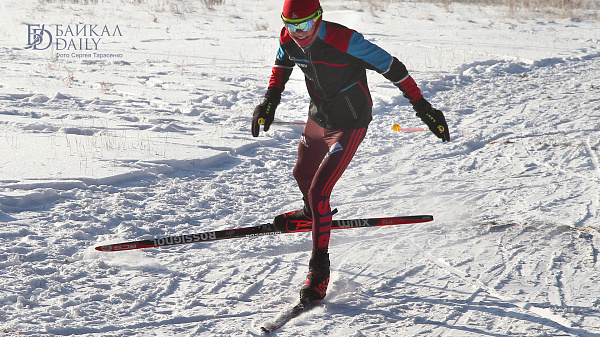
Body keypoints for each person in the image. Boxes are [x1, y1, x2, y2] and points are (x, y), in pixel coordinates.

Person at [251, 0, 450, 305]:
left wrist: (424, 108)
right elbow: (281, 65)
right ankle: (311, 215)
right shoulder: (288, 38)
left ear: (319, 18)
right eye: (291, 26)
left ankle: (319, 272)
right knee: (301, 173)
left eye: (304, 25)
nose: (298, 33)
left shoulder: (346, 41)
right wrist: (270, 100)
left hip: (351, 121)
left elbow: (393, 68)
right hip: (319, 116)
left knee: (319, 190)